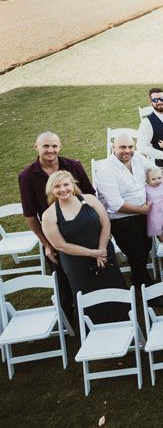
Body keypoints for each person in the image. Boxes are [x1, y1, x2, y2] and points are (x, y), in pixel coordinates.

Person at [19, 131, 95, 315]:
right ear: (36, 147)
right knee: (63, 277)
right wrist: (46, 244)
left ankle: (96, 305)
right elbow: (30, 215)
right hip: (54, 234)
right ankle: (71, 315)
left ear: (59, 147)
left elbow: (90, 195)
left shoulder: (73, 166)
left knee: (92, 264)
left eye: (54, 146)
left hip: (82, 226)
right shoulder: (27, 176)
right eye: (45, 146)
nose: (50, 150)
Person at [40, 171, 127, 323]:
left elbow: (105, 224)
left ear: (72, 185)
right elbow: (60, 245)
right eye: (57, 186)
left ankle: (125, 323)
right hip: (76, 262)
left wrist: (102, 251)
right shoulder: (49, 215)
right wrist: (93, 253)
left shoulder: (90, 200)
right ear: (51, 190)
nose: (62, 189)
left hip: (104, 251)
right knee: (87, 297)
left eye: (66, 184)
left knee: (113, 288)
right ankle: (95, 332)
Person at [94, 133, 163, 305]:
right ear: (113, 147)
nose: (127, 151)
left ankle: (137, 281)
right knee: (136, 254)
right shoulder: (106, 169)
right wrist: (142, 211)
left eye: (130, 147)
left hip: (144, 213)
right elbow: (115, 204)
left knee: (145, 249)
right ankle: (149, 294)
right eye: (122, 147)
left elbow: (156, 172)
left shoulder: (139, 159)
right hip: (122, 220)